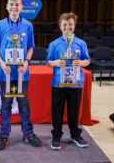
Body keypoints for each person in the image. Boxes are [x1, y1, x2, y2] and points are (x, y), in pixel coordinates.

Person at [0, 0, 42, 150]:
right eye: (11, 4)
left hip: (22, 73)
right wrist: (1, 63)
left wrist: (27, 61)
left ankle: (28, 133)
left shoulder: (28, 25)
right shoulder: (0, 25)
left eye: (17, 4)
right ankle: (4, 135)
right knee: (6, 104)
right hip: (5, 73)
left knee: (23, 104)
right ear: (7, 7)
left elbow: (31, 47)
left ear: (21, 7)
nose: (14, 7)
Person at [46, 12, 90, 150]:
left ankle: (75, 135)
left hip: (76, 82)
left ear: (74, 26)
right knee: (57, 110)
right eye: (65, 24)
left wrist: (81, 63)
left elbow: (87, 60)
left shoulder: (81, 43)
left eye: (70, 24)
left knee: (74, 110)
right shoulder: (54, 44)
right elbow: (48, 62)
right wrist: (56, 63)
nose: (67, 27)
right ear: (60, 26)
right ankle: (57, 135)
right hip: (59, 83)